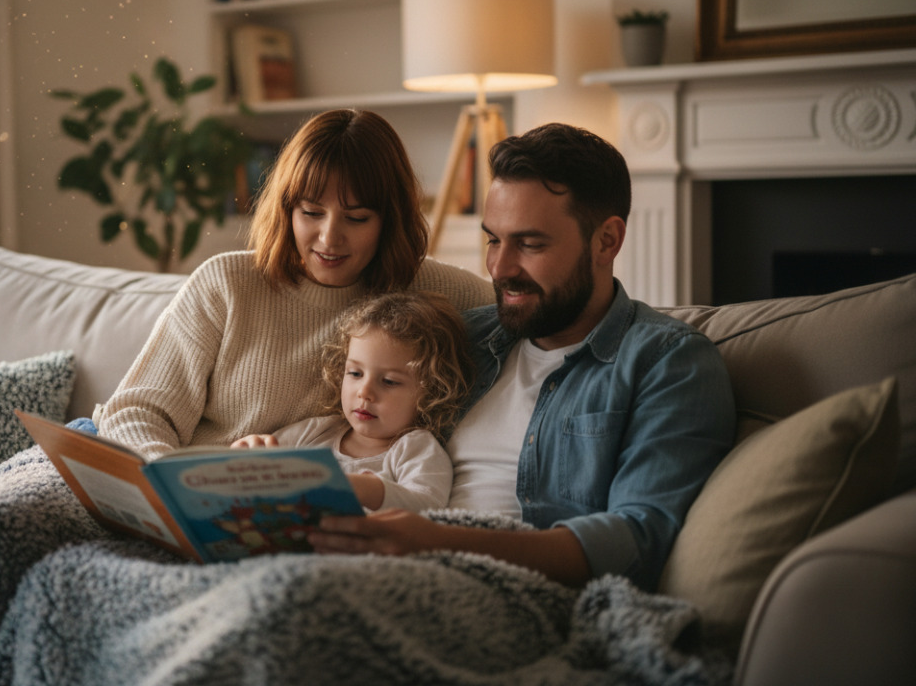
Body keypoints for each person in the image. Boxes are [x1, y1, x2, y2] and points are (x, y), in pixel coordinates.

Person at [308, 122, 736, 593]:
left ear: (606, 241)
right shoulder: (459, 340)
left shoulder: (667, 363)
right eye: (493, 240)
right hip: (389, 571)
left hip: (518, 593)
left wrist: (437, 542)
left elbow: (636, 539)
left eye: (530, 244)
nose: (499, 267)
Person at [94, 108, 494, 459]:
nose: (329, 238)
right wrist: (166, 476)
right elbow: (139, 411)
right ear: (287, 210)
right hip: (184, 479)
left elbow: (522, 311)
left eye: (356, 219)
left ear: (389, 221)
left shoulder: (427, 289)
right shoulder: (226, 283)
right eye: (311, 212)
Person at [232, 291, 474, 513]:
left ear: (433, 391)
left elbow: (428, 507)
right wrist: (250, 454)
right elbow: (265, 469)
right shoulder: (316, 432)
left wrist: (364, 488)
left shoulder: (415, 448)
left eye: (389, 381)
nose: (364, 392)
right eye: (355, 374)